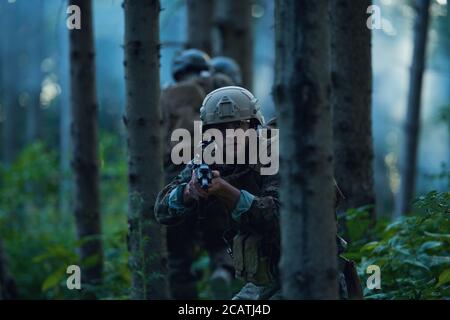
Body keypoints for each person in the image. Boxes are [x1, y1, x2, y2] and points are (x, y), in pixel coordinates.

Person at [155, 86, 282, 300]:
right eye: (221, 128)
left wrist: (226, 191)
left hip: (304, 269)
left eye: (237, 125)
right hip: (265, 279)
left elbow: (279, 216)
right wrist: (188, 192)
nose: (230, 135)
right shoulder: (209, 157)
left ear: (253, 125)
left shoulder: (275, 152)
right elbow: (162, 210)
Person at [160, 49, 234, 299]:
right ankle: (222, 272)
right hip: (215, 172)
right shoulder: (218, 84)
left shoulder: (160, 95)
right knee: (221, 242)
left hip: (175, 180)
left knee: (178, 258)